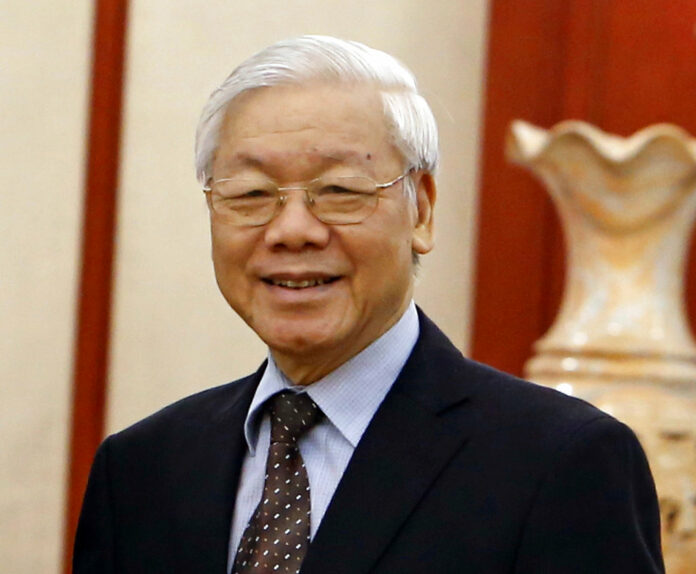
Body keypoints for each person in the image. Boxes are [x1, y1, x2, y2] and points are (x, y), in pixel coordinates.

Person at [74, 35, 664, 573]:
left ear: (422, 211)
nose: (292, 230)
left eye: (339, 191)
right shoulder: (139, 471)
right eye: (252, 194)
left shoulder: (560, 463)